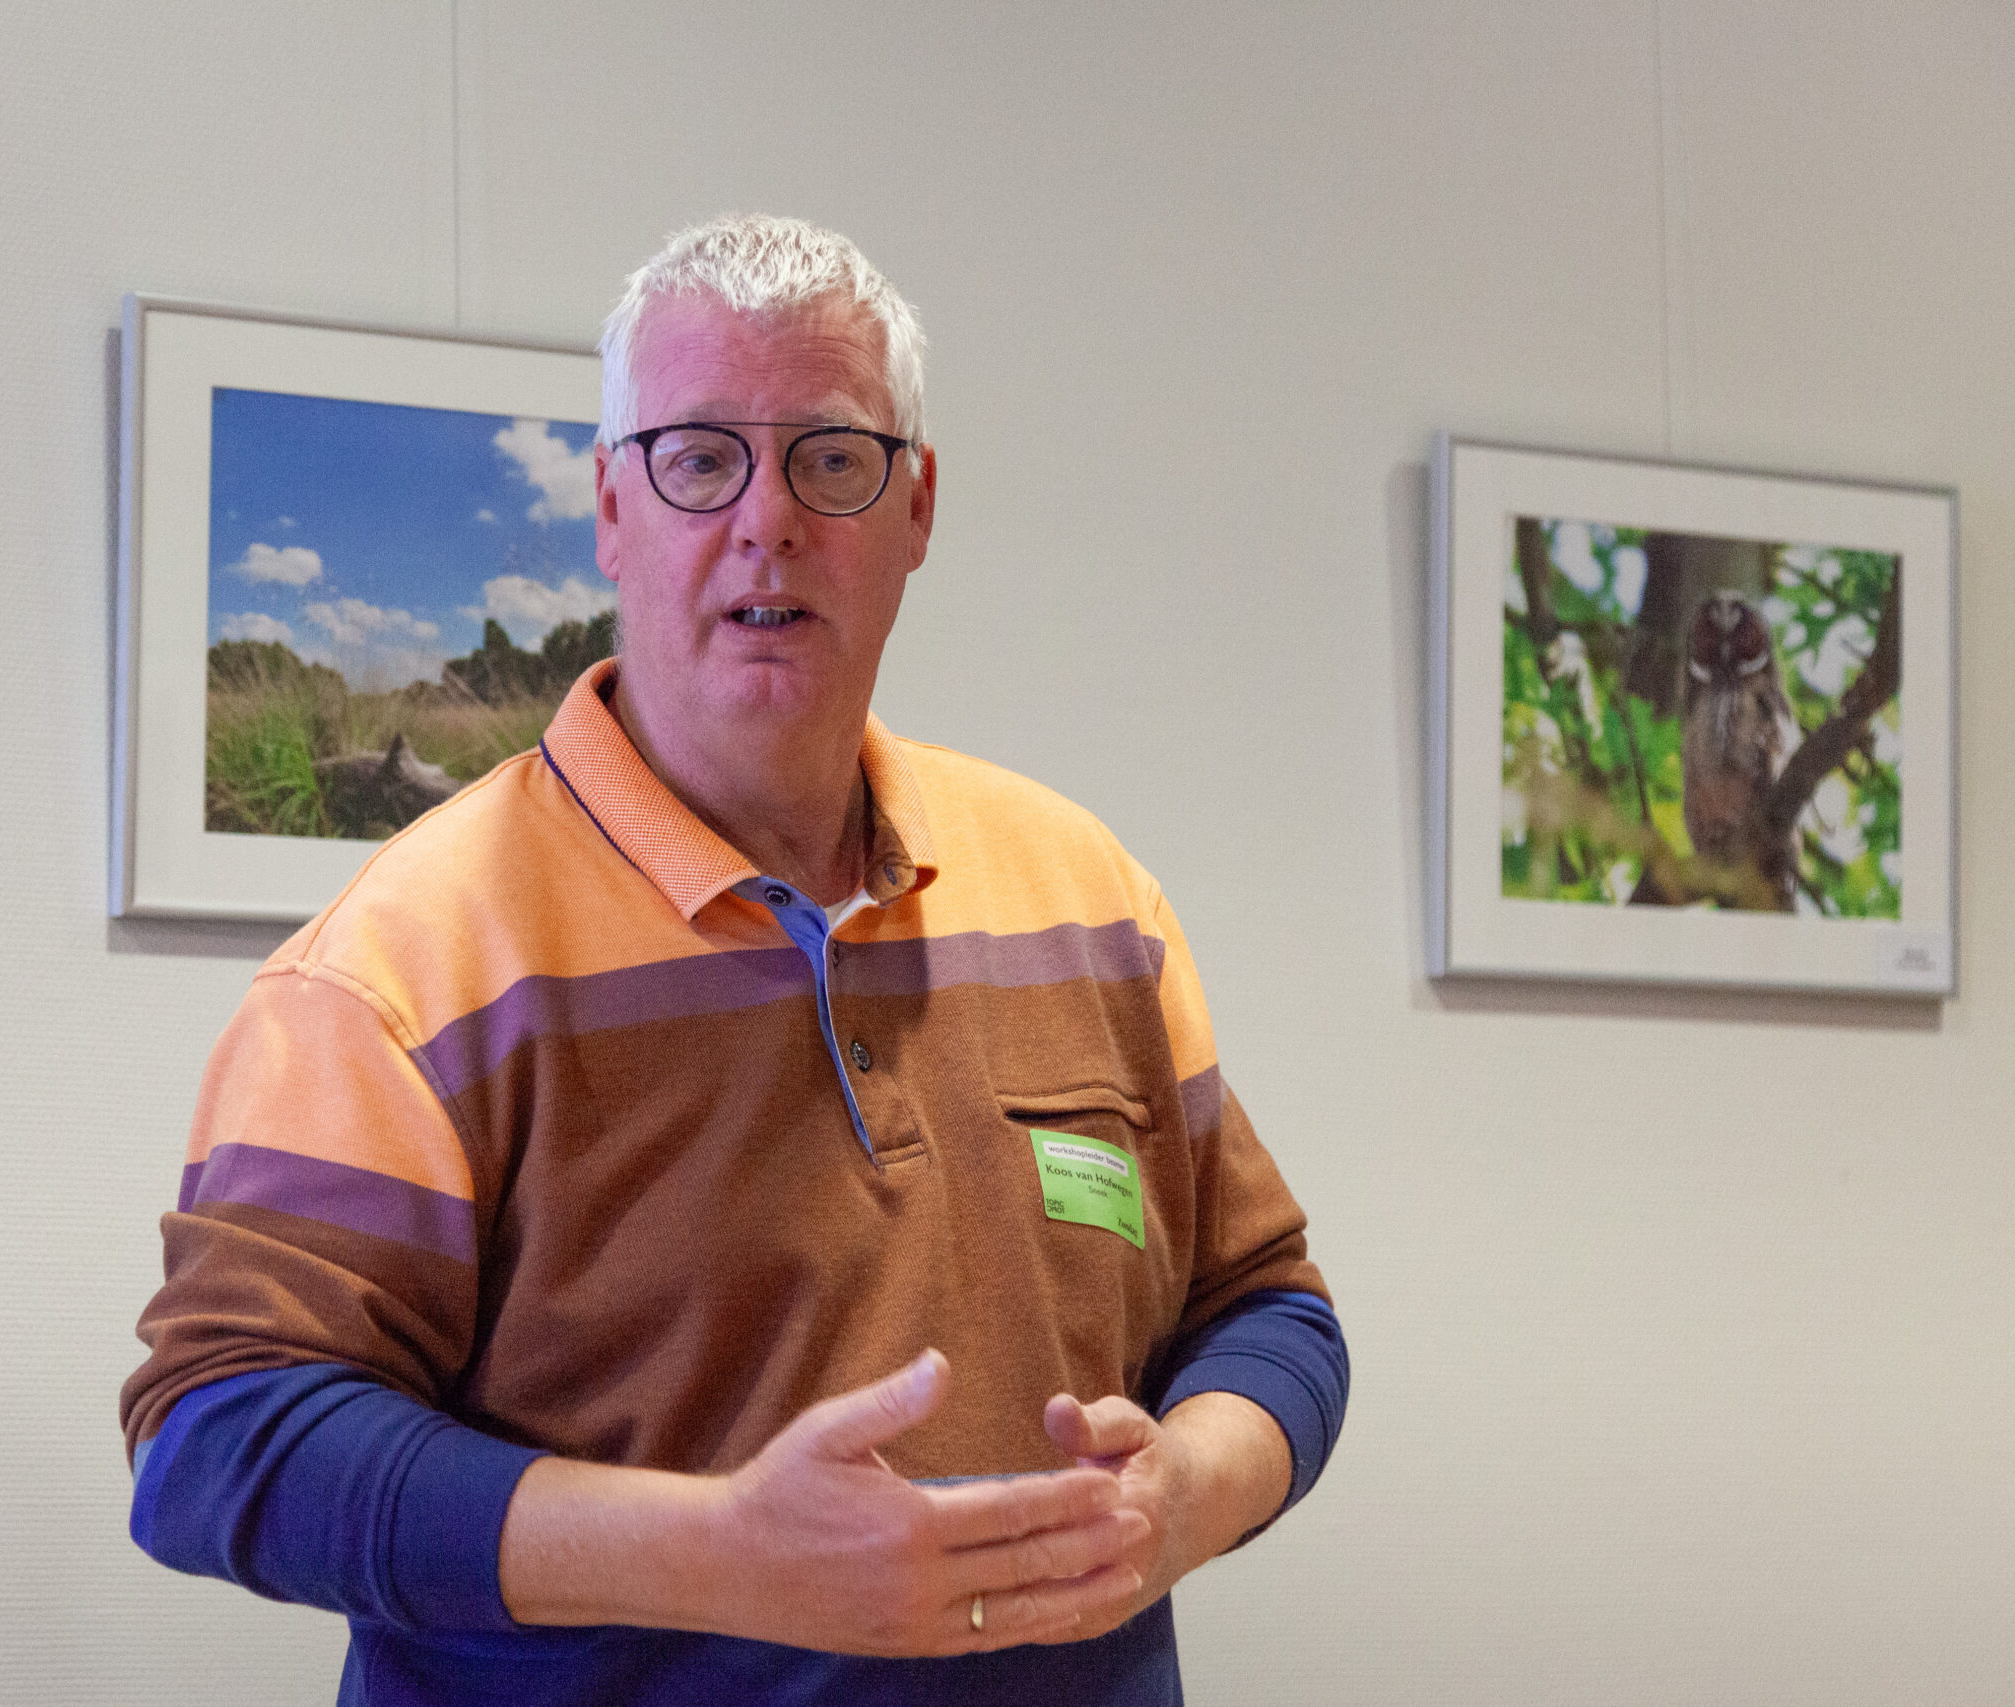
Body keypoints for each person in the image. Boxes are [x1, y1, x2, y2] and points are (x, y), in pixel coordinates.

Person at [121, 214, 1348, 1706]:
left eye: (832, 459)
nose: (768, 519)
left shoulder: (1087, 894)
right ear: (610, 508)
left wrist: (1184, 1495)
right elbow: (218, 1433)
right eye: (700, 459)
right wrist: (713, 1556)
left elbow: (1268, 1307)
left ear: (917, 508)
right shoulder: (398, 962)